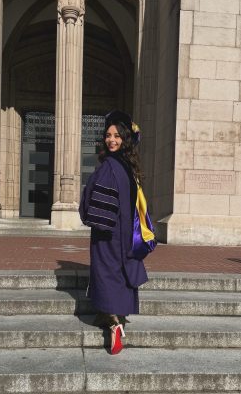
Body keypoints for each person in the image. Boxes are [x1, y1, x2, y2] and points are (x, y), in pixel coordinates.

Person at [79, 110, 154, 355]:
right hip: (125, 232)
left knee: (106, 272)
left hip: (107, 232)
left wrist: (86, 208)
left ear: (125, 138)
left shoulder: (109, 166)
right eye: (108, 135)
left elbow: (95, 199)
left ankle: (115, 324)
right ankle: (108, 313)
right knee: (120, 271)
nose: (111, 139)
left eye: (117, 135)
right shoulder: (128, 166)